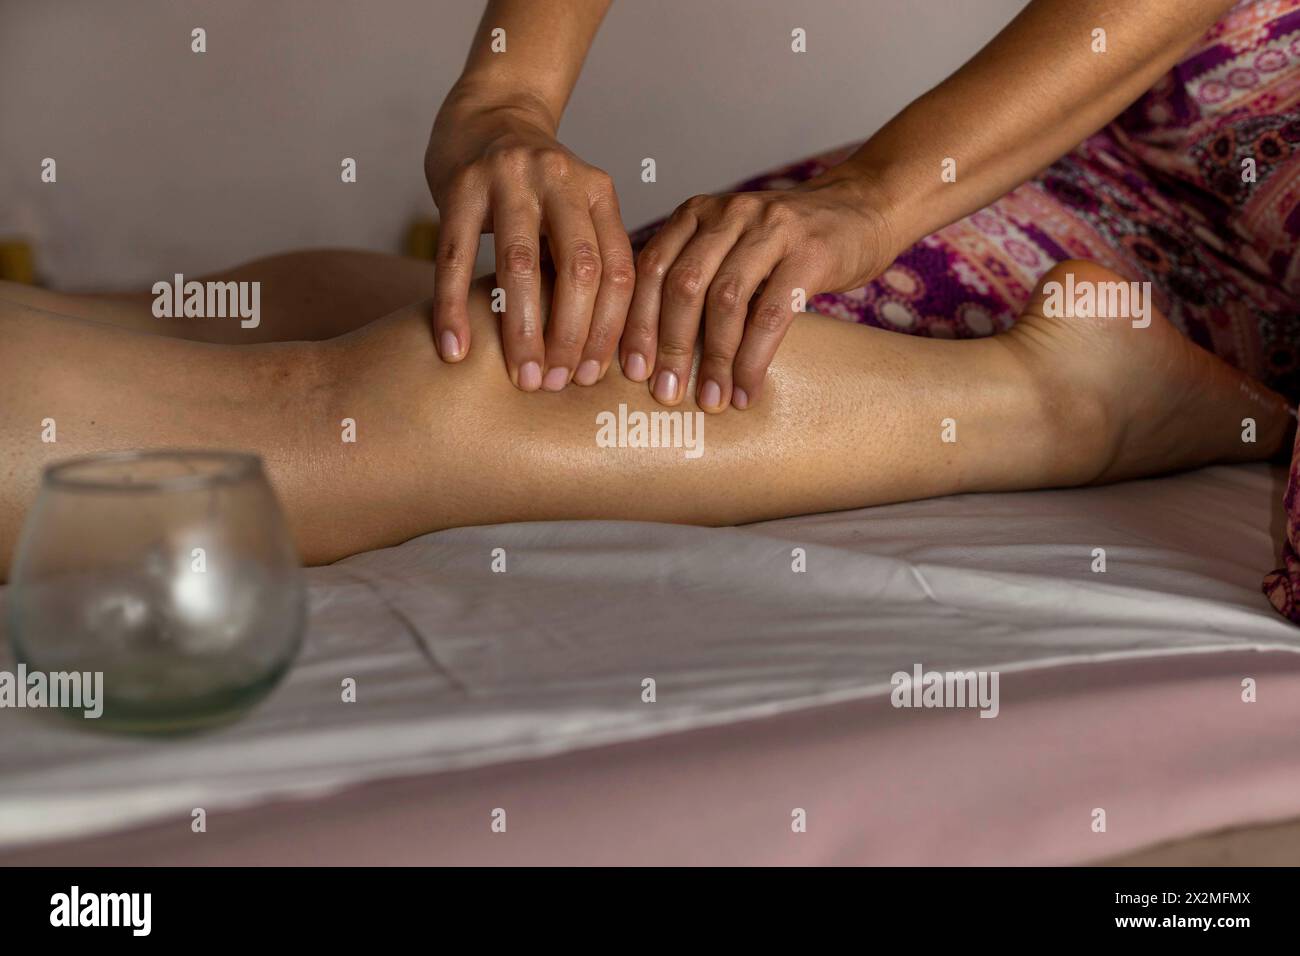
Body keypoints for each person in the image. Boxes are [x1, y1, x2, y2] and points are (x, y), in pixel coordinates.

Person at [422, 0, 1300, 621]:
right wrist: (502, 101)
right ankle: (1188, 402)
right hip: (1142, 149)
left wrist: (876, 199)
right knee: (572, 318)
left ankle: (1130, 403)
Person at [0, 254, 1291, 597]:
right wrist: (509, 103)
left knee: (320, 410)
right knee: (237, 330)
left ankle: (1053, 404)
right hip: (1138, 148)